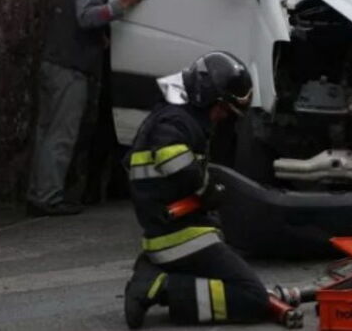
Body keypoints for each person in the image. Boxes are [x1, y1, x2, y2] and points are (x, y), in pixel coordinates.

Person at [123, 52, 291, 328]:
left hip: (174, 229)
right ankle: (163, 286)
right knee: (252, 297)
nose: (221, 118)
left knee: (236, 281)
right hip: (179, 234)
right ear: (206, 95)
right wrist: (206, 188)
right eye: (223, 109)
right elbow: (174, 161)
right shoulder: (175, 121)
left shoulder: (179, 117)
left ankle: (154, 271)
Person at [27, 0, 145, 216]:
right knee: (62, 135)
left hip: (53, 63)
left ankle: (38, 192)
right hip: (70, 68)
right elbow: (85, 16)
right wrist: (122, 4)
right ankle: (49, 197)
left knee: (46, 132)